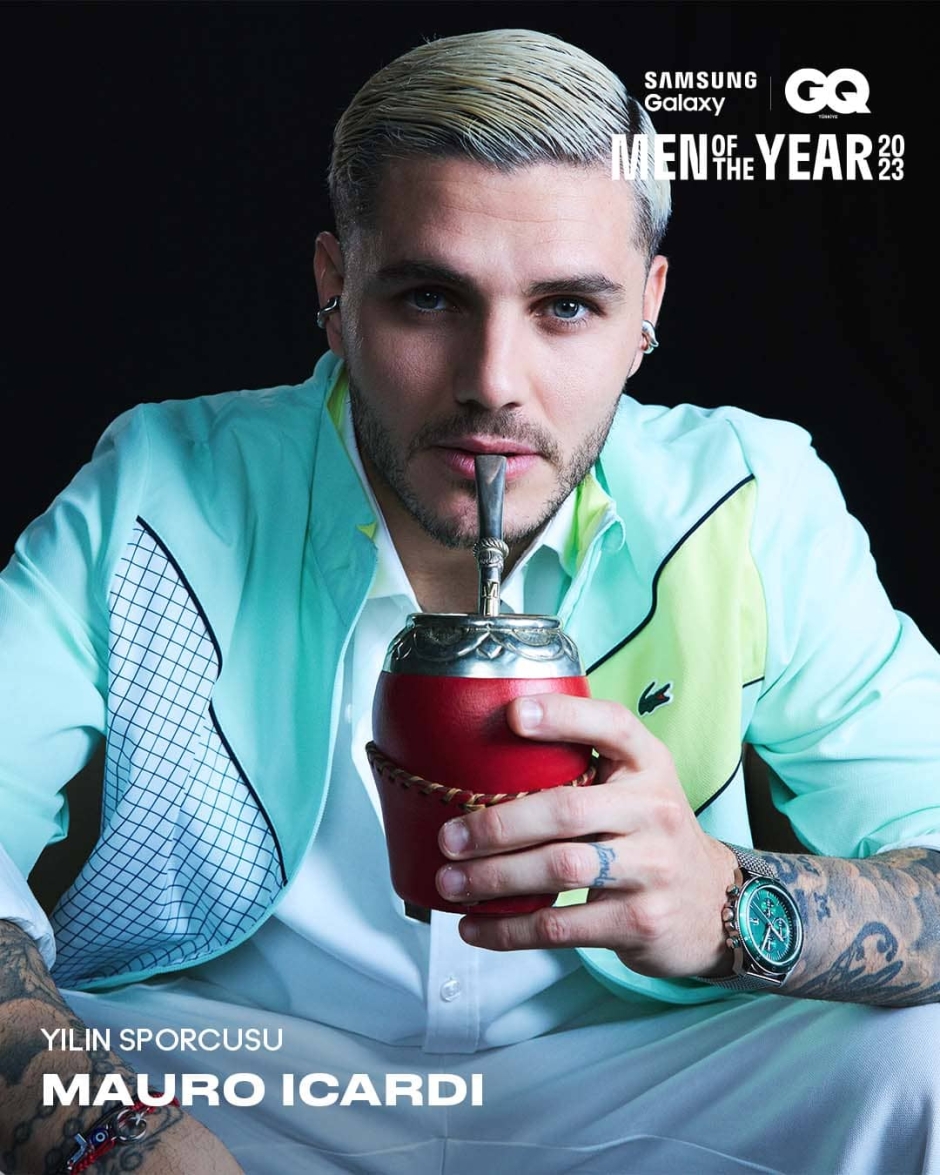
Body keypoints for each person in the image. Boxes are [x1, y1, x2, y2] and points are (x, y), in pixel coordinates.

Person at [1, 26, 939, 1175]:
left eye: (566, 307)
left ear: (647, 308)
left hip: (636, 1077)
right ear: (335, 289)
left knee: (924, 1060)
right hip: (236, 1073)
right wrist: (116, 1140)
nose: (493, 381)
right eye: (430, 297)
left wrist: (726, 900)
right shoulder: (162, 486)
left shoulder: (748, 497)